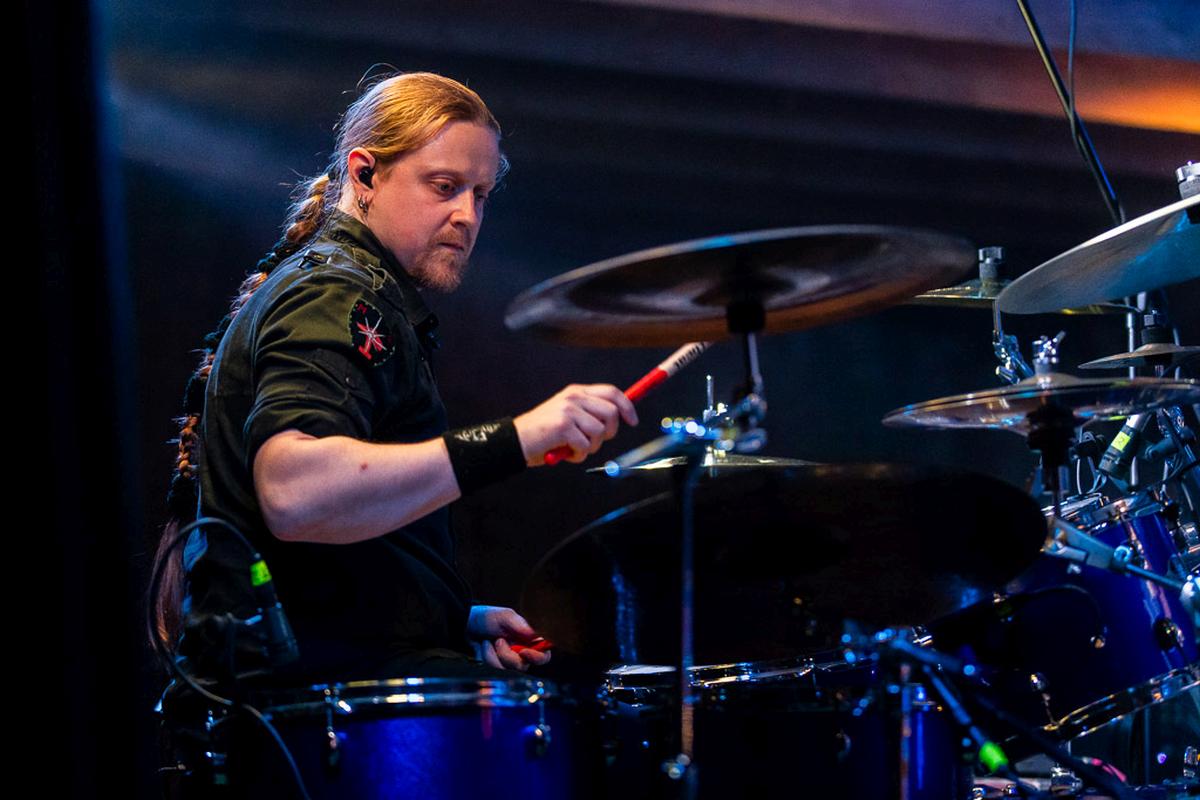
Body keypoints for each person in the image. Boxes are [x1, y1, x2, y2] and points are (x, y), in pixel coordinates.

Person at [161, 71, 637, 684]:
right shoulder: (335, 295)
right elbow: (296, 495)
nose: (467, 215)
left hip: (325, 676)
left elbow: (328, 558)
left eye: (481, 194)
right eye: (444, 187)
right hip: (308, 706)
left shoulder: (352, 288)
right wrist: (520, 437)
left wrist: (454, 619)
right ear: (364, 175)